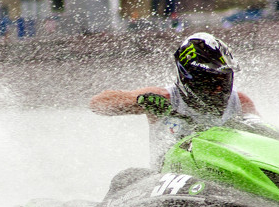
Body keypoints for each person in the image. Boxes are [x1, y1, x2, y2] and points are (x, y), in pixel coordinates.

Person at [90, 33, 258, 168]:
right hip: (169, 178)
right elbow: (97, 104)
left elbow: (264, 137)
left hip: (226, 174)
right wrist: (140, 101)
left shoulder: (241, 102)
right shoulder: (167, 98)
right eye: (211, 81)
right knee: (128, 177)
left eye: (224, 80)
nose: (219, 89)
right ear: (190, 78)